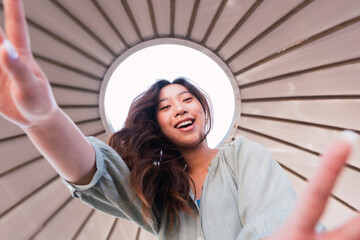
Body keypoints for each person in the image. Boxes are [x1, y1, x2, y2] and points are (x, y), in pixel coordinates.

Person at [0, 0, 359, 239]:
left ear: (203, 110)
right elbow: (92, 172)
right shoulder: (158, 188)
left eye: (188, 100)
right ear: (155, 124)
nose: (181, 108)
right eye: (166, 106)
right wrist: (43, 120)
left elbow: (274, 216)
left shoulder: (241, 155)